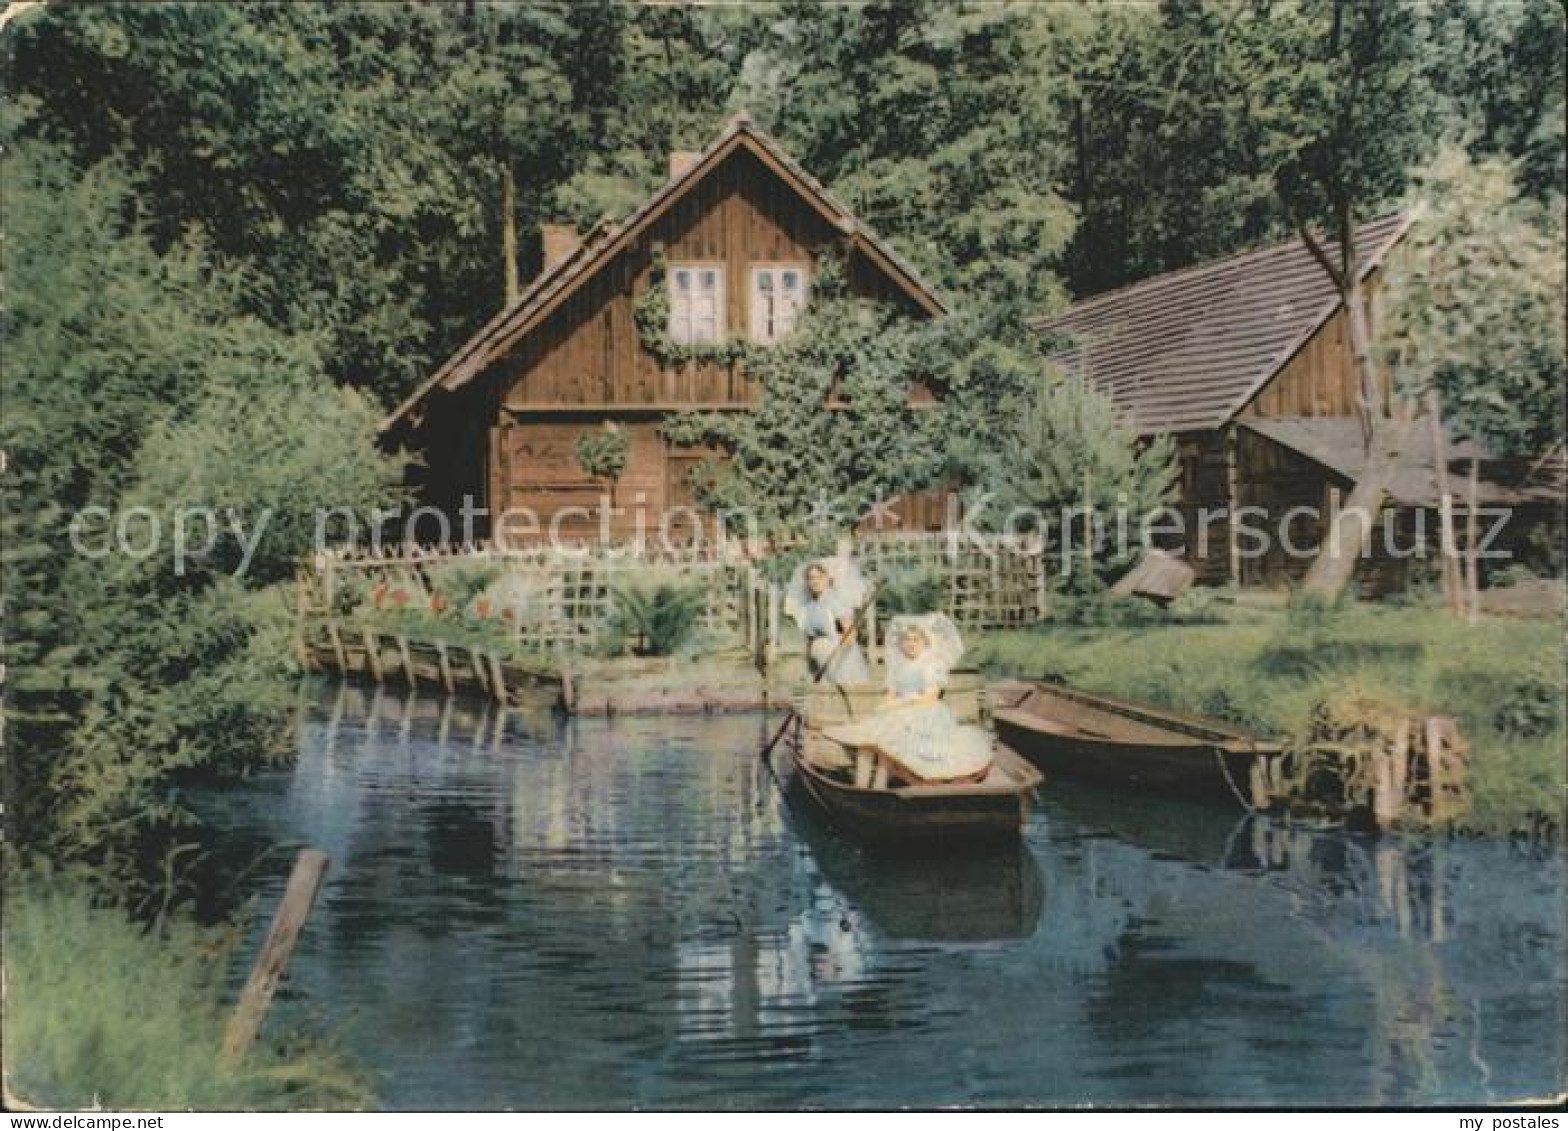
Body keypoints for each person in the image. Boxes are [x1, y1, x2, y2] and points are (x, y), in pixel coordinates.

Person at [822, 613, 994, 788]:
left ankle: (879, 786)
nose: (911, 644)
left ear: (924, 642)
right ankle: (861, 785)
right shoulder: (899, 666)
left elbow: (930, 697)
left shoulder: (930, 665)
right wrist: (884, 706)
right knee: (867, 743)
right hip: (899, 710)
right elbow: (893, 692)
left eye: (916, 640)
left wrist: (900, 703)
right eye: (907, 640)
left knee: (885, 746)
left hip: (924, 713)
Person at [784, 557, 872, 685]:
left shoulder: (835, 602)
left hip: (838, 660)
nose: (815, 581)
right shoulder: (808, 607)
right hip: (817, 662)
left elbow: (850, 633)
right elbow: (809, 639)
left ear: (827, 578)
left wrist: (836, 656)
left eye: (818, 577)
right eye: (811, 578)